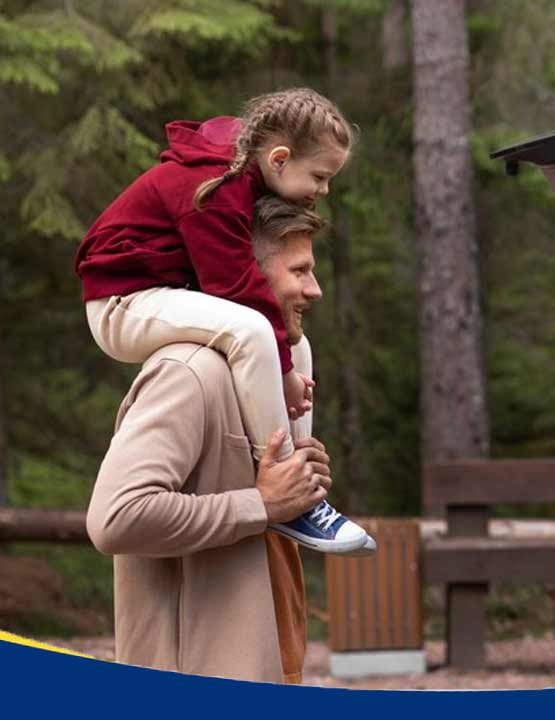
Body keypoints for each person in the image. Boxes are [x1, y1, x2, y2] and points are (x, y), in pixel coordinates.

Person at [75, 89, 368, 554]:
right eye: (319, 176)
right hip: (121, 303)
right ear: (278, 159)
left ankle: (301, 480)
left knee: (297, 343)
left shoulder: (238, 176)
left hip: (161, 292)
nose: (324, 190)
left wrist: (290, 361)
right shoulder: (218, 186)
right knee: (254, 331)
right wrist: (284, 374)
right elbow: (236, 288)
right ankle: (284, 480)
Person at [86, 197, 337, 683]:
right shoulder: (187, 374)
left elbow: (265, 508)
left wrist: (299, 482)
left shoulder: (261, 376)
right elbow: (115, 518)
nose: (315, 290)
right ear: (247, 275)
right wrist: (261, 504)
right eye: (300, 271)